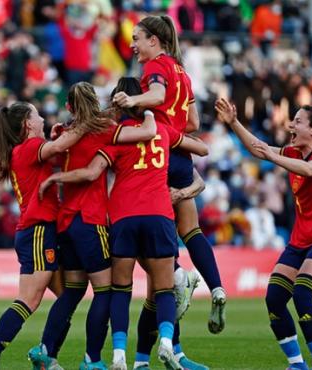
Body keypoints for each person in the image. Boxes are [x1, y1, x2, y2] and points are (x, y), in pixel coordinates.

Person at [40, 77, 209, 370]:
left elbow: (89, 169)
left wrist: (56, 174)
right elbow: (197, 147)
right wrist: (148, 112)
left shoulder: (95, 137)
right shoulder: (128, 132)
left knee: (112, 289)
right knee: (162, 287)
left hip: (109, 219)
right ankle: (165, 346)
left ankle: (112, 353)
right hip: (146, 215)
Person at [112, 14, 224, 369]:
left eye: (137, 39)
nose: (133, 46)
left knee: (160, 279)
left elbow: (157, 94)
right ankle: (215, 287)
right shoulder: (183, 72)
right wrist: (172, 125)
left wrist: (136, 104)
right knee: (191, 233)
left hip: (154, 162)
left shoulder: (155, 69)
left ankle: (157, 352)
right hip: (179, 153)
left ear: (155, 41)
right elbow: (194, 124)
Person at [29, 81, 159, 370]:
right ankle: (92, 359)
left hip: (66, 222)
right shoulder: (104, 132)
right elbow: (149, 132)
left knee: (74, 290)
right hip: (91, 220)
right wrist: (148, 107)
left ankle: (45, 349)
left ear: (68, 107)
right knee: (106, 290)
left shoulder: (63, 132)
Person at [215, 99, 312, 370]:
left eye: (297, 121)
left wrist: (275, 157)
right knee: (274, 298)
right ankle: (296, 364)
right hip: (300, 241)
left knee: (301, 295)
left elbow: (310, 170)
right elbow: (258, 149)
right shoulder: (294, 152)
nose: (290, 125)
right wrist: (234, 123)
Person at [0, 100, 85, 370]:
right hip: (38, 231)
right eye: (38, 115)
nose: (43, 119)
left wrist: (62, 133)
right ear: (28, 124)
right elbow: (58, 148)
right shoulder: (30, 147)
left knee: (69, 296)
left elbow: (58, 150)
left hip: (38, 231)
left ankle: (47, 357)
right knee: (29, 299)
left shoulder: (23, 151)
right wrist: (88, 123)